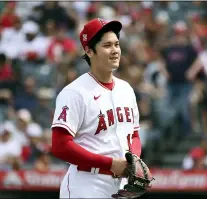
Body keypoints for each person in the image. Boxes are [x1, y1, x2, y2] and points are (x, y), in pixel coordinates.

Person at [51, 18, 142, 198]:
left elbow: (135, 135)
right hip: (86, 183)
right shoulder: (75, 92)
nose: (115, 50)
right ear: (89, 51)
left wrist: (135, 160)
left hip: (121, 184)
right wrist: (109, 164)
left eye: (117, 44)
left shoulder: (126, 89)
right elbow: (60, 145)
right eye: (107, 45)